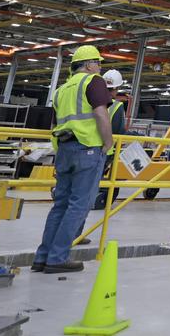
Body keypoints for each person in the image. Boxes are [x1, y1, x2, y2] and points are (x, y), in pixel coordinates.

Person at [32, 45, 114, 274]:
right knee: (79, 205)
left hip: (64, 149)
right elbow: (101, 114)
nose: (99, 67)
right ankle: (58, 258)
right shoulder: (93, 81)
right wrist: (108, 144)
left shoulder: (61, 89)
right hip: (87, 147)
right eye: (98, 63)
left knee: (60, 205)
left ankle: (42, 257)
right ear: (89, 65)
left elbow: (55, 123)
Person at [90, 69, 128, 211]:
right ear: (117, 88)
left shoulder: (92, 100)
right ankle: (93, 197)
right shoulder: (117, 106)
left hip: (89, 145)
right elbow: (119, 131)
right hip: (107, 150)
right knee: (99, 176)